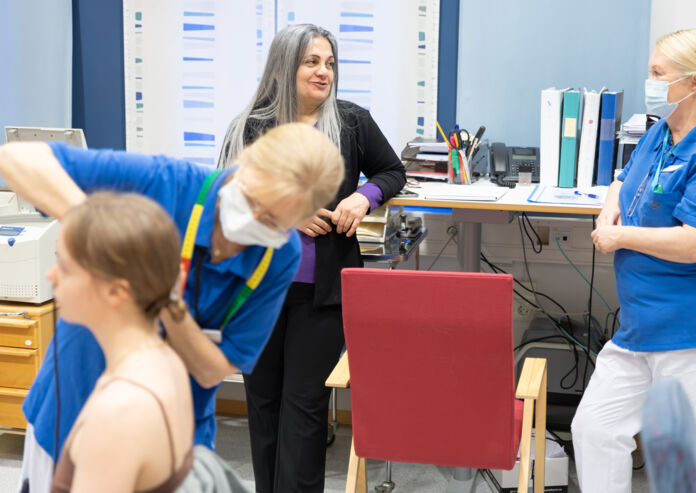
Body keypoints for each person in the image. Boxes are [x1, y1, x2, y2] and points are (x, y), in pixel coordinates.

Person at [0, 122, 345, 493]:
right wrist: (99, 230)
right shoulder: (167, 184)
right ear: (243, 162)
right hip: (74, 404)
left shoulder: (277, 257)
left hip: (174, 432)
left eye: (275, 221)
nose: (254, 220)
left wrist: (168, 300)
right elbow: (17, 158)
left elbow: (215, 369)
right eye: (252, 200)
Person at [218, 24, 406, 493]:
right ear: (283, 69)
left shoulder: (352, 122)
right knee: (262, 405)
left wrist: (364, 197)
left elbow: (392, 171)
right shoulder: (251, 127)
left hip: (321, 294)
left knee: (303, 408)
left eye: (329, 63)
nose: (324, 72)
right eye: (312, 62)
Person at [571, 29, 696, 493]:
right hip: (640, 325)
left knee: (687, 473)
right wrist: (610, 207)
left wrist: (620, 234)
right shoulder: (660, 134)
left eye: (656, 74)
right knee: (595, 431)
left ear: (692, 83)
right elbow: (623, 179)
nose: (648, 81)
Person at [46, 192, 194, 492]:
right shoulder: (166, 361)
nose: (52, 275)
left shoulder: (119, 410)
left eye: (65, 267)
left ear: (117, 292)